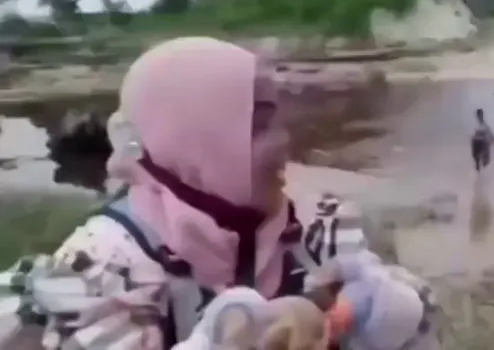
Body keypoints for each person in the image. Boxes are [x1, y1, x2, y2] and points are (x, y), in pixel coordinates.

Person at [0, 37, 438, 350]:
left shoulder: (316, 229)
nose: (285, 142)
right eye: (258, 124)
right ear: (190, 140)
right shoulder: (102, 272)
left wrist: (377, 309)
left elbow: (414, 310)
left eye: (278, 119)